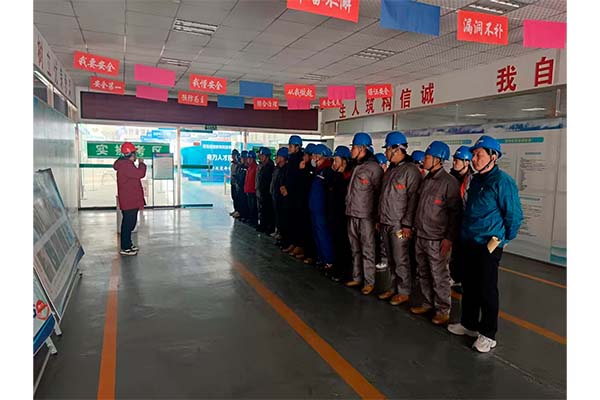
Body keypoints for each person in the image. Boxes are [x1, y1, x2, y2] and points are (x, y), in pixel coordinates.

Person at [448, 135, 523, 353]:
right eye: (473, 154)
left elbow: (514, 215)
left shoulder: (502, 182)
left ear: (493, 156)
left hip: (488, 245)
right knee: (469, 286)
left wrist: (503, 240)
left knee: (487, 289)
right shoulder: (476, 180)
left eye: (479, 155)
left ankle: (488, 334)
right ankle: (469, 324)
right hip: (469, 242)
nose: (474, 158)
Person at [410, 141, 461, 326]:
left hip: (438, 239)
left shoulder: (449, 183)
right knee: (423, 272)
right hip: (421, 235)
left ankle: (442, 310)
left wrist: (448, 238)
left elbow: (455, 214)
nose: (424, 159)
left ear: (438, 160)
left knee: (439, 276)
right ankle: (427, 303)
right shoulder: (426, 179)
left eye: (428, 156)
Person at [377, 131, 422, 306]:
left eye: (388, 149)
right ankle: (393, 287)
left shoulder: (411, 171)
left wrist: (407, 225)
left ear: (397, 149)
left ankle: (403, 291)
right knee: (390, 258)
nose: (386, 153)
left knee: (400, 258)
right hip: (386, 221)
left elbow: (413, 200)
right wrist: (379, 218)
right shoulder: (391, 170)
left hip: (399, 225)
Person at [345, 132, 384, 295]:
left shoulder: (374, 168)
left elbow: (378, 193)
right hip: (352, 213)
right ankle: (357, 277)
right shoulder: (357, 166)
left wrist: (376, 218)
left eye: (353, 147)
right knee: (355, 248)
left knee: (367, 249)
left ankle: (369, 281)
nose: (351, 150)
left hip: (366, 216)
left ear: (362, 148)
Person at [113, 142, 146, 256]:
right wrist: (142, 164)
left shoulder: (126, 164)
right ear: (131, 154)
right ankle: (125, 247)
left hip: (130, 199)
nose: (136, 155)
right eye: (135, 152)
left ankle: (128, 244)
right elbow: (140, 174)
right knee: (128, 224)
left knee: (130, 223)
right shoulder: (126, 165)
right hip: (129, 200)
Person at [448, 145, 474, 292]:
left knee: (465, 254)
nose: (454, 163)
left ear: (466, 162)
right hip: (452, 220)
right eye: (454, 159)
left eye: (457, 160)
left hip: (465, 222)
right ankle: (455, 277)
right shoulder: (450, 178)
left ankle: (464, 279)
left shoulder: (472, 180)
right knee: (454, 252)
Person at [308, 144, 335, 270]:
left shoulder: (327, 171)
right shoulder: (318, 171)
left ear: (322, 156)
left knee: (323, 234)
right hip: (314, 208)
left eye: (315, 155)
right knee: (317, 233)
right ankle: (321, 257)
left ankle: (328, 260)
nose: (313, 158)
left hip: (321, 209)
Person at [329, 146, 353, 283]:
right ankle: (337, 266)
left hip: (344, 215)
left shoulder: (349, 176)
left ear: (344, 161)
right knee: (337, 242)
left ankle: (345, 271)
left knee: (344, 244)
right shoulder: (337, 175)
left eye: (336, 161)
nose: (334, 164)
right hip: (335, 214)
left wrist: (339, 175)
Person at [281, 135, 305, 255]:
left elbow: (298, 180)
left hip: (296, 197)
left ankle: (298, 245)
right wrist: (283, 186)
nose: (289, 148)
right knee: (290, 221)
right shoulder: (291, 159)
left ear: (297, 147)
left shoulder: (300, 160)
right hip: (289, 195)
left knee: (297, 221)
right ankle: (292, 243)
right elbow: (288, 176)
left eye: (291, 146)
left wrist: (289, 189)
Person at [296, 143, 317, 263]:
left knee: (310, 230)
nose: (303, 157)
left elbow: (307, 184)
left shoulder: (312, 170)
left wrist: (303, 171)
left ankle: (311, 254)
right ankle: (305, 251)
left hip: (309, 203)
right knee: (304, 227)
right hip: (304, 201)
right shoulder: (306, 168)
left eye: (306, 155)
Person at [272, 147, 289, 248]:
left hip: (283, 198)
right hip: (277, 196)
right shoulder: (279, 169)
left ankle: (284, 239)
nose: (276, 158)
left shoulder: (286, 169)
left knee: (283, 219)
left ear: (283, 158)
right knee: (278, 217)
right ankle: (280, 236)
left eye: (278, 156)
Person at [256, 147, 275, 234]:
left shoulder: (270, 167)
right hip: (262, 192)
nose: (260, 157)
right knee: (262, 209)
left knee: (268, 210)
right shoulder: (263, 166)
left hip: (268, 193)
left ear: (267, 157)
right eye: (260, 155)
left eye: (262, 155)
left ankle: (268, 227)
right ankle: (263, 225)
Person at [244, 150, 258, 227]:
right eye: (248, 158)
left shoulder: (255, 168)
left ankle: (254, 221)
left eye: (250, 158)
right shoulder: (249, 168)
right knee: (250, 207)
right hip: (248, 190)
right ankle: (251, 219)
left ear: (253, 159)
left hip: (253, 191)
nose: (248, 160)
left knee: (253, 208)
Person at [235, 151, 249, 221]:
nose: (241, 159)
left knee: (245, 202)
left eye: (243, 158)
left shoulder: (248, 167)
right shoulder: (241, 166)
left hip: (245, 188)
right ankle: (241, 214)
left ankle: (245, 216)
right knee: (240, 201)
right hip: (240, 186)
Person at [229, 149, 241, 217]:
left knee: (237, 198)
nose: (233, 156)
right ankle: (235, 210)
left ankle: (238, 211)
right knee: (233, 197)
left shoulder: (238, 164)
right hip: (232, 183)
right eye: (232, 155)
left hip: (236, 184)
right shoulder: (232, 164)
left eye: (234, 155)